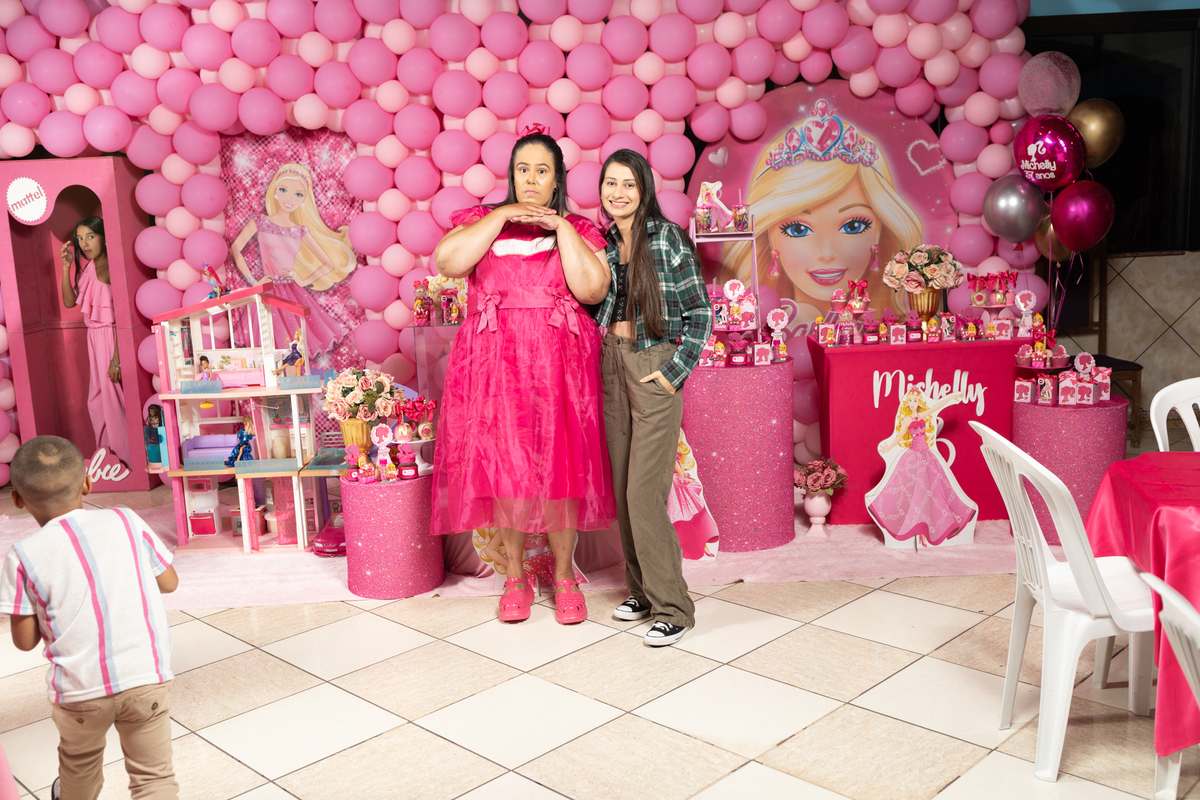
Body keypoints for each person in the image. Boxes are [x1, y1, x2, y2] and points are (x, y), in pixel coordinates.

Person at [431, 125, 615, 625]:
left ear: (557, 180)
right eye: (522, 170)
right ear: (511, 176)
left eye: (542, 171)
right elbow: (448, 261)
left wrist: (562, 228)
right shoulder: (482, 221)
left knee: (561, 467)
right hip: (497, 363)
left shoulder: (578, 228)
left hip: (560, 364)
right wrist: (502, 215)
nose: (531, 179)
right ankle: (515, 576)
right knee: (506, 466)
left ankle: (563, 575)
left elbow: (593, 290)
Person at [0, 436, 179, 799]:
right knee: (154, 778)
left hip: (80, 692)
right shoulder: (126, 520)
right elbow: (169, 582)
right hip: (145, 677)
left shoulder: (22, 556)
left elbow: (24, 641)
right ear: (87, 482)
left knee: (79, 771)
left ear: (17, 499)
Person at [593, 149, 713, 646]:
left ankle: (674, 608)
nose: (618, 193)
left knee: (644, 493)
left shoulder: (666, 238)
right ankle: (641, 592)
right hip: (611, 364)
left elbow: (701, 312)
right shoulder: (602, 243)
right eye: (610, 183)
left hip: (652, 364)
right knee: (623, 490)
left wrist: (673, 373)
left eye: (629, 184)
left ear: (644, 189)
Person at [721, 98, 923, 329]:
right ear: (771, 236)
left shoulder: (900, 327)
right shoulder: (751, 326)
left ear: (878, 231)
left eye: (853, 226)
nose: (826, 253)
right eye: (798, 229)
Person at [230, 163, 356, 361]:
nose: (289, 199)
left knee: (292, 349)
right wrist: (253, 282)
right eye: (283, 190)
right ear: (275, 192)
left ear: (304, 200)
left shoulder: (299, 231)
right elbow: (235, 249)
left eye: (298, 194)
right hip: (267, 289)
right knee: (267, 347)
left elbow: (328, 264)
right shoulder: (260, 222)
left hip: (292, 292)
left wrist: (303, 279)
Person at [60, 217, 130, 466]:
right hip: (93, 338)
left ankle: (125, 459)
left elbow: (123, 318)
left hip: (111, 338)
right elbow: (69, 302)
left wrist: (117, 359)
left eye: (90, 236)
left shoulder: (112, 268)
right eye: (80, 239)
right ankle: (107, 456)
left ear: (103, 236)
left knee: (113, 400)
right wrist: (66, 267)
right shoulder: (89, 267)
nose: (84, 243)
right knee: (97, 401)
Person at [868, 388, 976, 546]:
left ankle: (932, 527)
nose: (912, 403)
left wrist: (951, 397)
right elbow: (899, 437)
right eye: (910, 401)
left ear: (919, 403)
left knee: (934, 490)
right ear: (907, 403)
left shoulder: (922, 415)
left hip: (927, 456)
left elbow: (937, 406)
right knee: (913, 491)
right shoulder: (906, 420)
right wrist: (889, 447)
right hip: (914, 457)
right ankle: (917, 528)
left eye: (915, 401)